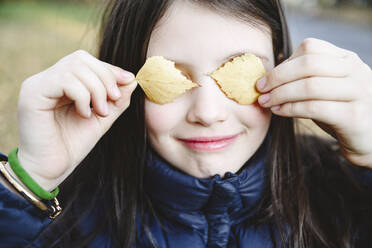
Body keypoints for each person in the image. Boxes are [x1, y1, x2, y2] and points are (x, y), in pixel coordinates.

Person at [1, 0, 372, 247]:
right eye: (172, 77)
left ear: (282, 67)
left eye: (239, 69)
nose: (208, 113)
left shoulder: (347, 194)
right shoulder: (66, 218)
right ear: (122, 80)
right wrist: (28, 181)